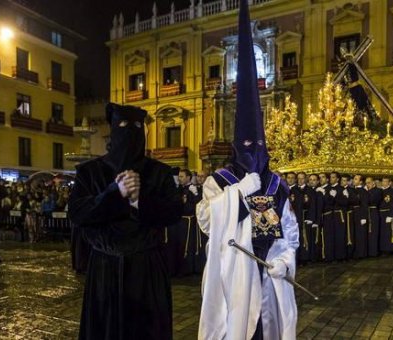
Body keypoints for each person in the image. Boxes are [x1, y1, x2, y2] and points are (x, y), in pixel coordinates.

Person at [196, 1, 298, 337]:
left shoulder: (277, 185)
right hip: (234, 275)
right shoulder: (219, 180)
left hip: (270, 276)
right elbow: (207, 220)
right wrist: (240, 191)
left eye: (258, 146)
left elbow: (289, 232)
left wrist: (283, 262)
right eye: (246, 147)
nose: (253, 153)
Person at [68, 103, 182, 340]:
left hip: (147, 270)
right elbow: (78, 214)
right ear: (113, 130)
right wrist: (114, 193)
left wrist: (139, 200)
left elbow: (173, 213)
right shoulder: (90, 172)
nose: (130, 132)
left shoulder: (159, 173)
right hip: (105, 270)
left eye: (137, 126)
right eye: (123, 126)